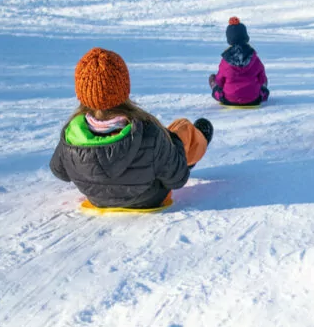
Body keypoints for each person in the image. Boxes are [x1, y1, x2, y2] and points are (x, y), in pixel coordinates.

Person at [50, 47, 213, 209]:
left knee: (162, 145)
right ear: (122, 88)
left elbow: (60, 172)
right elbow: (177, 179)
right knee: (181, 128)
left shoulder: (71, 134)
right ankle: (195, 144)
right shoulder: (150, 132)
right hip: (149, 197)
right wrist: (174, 142)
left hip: (98, 199)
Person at [209, 17, 269, 106]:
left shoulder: (225, 61)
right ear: (246, 37)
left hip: (229, 99)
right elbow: (262, 79)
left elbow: (220, 81)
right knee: (264, 87)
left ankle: (221, 93)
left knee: (213, 79)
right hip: (254, 99)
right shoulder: (254, 58)